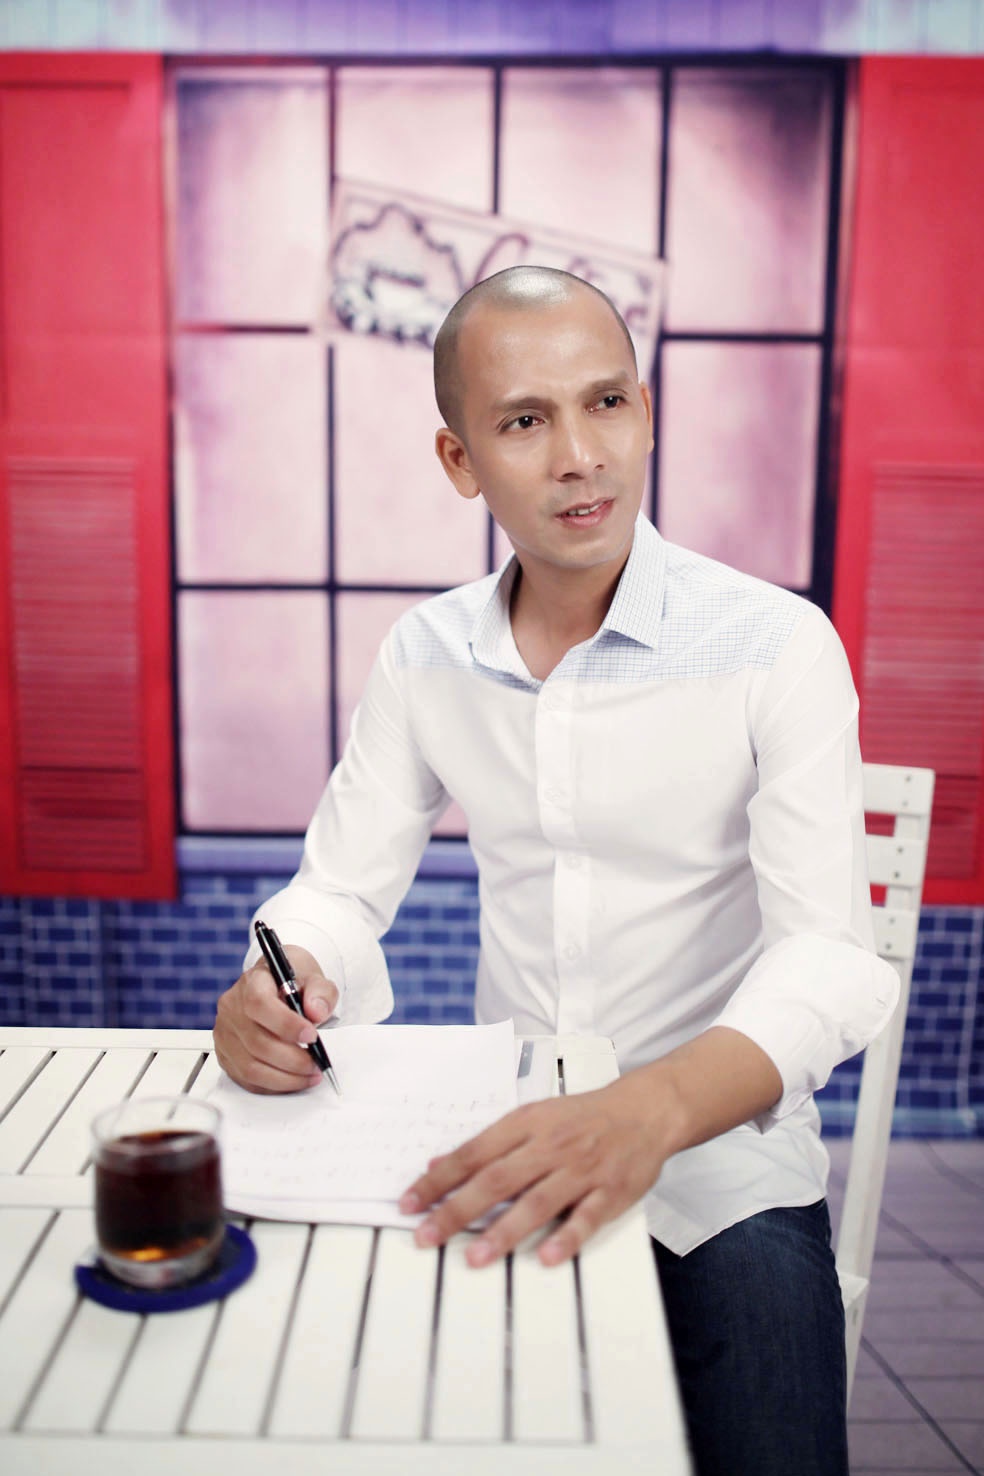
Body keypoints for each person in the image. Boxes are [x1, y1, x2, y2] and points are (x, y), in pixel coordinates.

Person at [214, 265, 898, 1476]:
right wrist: (282, 976)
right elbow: (340, 888)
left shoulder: (776, 646)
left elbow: (831, 957)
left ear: (646, 411)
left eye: (607, 402)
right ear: (460, 459)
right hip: (508, 1145)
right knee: (322, 1400)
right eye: (526, 420)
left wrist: (651, 1111)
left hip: (721, 1168)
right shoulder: (428, 654)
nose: (582, 457)